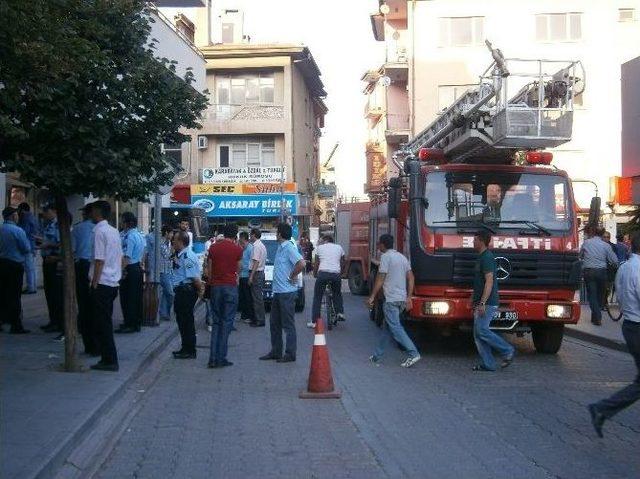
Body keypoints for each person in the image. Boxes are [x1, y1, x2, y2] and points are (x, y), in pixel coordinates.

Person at [588, 231, 640, 438]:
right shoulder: (637, 270)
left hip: (630, 325)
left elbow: (619, 296)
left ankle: (603, 409)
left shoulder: (625, 268)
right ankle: (602, 408)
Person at [367, 234, 421, 368]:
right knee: (387, 328)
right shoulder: (402, 257)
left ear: (383, 245)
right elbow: (411, 277)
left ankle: (413, 353)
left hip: (390, 299)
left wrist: (372, 296)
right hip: (401, 299)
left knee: (396, 328)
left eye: (379, 244)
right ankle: (376, 356)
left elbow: (380, 278)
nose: (378, 246)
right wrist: (409, 297)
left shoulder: (385, 257)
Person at [259, 223, 306, 363]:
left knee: (288, 324)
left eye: (277, 232)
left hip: (287, 292)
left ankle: (290, 354)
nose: (275, 234)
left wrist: (292, 276)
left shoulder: (289, 248)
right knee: (274, 323)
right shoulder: (280, 248)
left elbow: (301, 263)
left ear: (280, 234)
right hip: (278, 292)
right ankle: (276, 351)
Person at [470, 231, 515, 371]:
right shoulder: (481, 257)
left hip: (488, 302)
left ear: (482, 241)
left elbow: (489, 281)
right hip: (481, 301)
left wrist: (483, 303)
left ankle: (507, 350)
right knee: (478, 334)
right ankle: (488, 364)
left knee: (482, 330)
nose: (473, 242)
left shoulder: (487, 257)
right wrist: (473, 298)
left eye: (475, 240)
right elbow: (480, 281)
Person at [89, 201, 122, 372]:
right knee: (105, 322)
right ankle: (108, 358)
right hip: (112, 282)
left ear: (97, 212)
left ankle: (109, 359)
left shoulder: (99, 232)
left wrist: (94, 283)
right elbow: (120, 257)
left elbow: (99, 260)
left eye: (92, 210)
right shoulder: (114, 231)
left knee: (102, 324)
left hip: (102, 283)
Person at [207, 224, 243, 368]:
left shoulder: (213, 248)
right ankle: (221, 357)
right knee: (226, 323)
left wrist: (211, 281)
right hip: (230, 286)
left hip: (216, 286)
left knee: (216, 322)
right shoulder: (237, 249)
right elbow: (239, 268)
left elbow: (209, 267)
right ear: (235, 236)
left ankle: (212, 358)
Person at [171, 230, 203, 359]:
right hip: (182, 291)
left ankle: (190, 350)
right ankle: (185, 348)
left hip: (186, 292)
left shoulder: (187, 256)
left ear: (181, 242)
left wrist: (201, 292)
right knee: (182, 321)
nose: (173, 242)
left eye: (175, 240)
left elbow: (195, 278)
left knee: (186, 322)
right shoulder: (180, 255)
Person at [0, 206, 32, 334]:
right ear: (13, 216)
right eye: (17, 215)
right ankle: (16, 324)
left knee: (2, 293)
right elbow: (26, 248)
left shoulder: (1, 229)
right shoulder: (18, 231)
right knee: (14, 295)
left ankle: (2, 319)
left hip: (2, 262)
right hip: (14, 264)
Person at [581, 225, 619, 325]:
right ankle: (597, 316)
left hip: (588, 271)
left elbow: (580, 255)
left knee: (592, 295)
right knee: (600, 295)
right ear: (602, 234)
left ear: (594, 233)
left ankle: (596, 317)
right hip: (602, 272)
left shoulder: (586, 243)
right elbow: (614, 260)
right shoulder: (606, 245)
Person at [72, 204, 97, 355]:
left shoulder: (78, 229)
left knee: (83, 301)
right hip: (95, 266)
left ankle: (84, 328)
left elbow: (72, 249)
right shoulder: (102, 230)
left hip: (82, 265)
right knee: (94, 303)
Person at [116, 212, 145, 334]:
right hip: (137, 267)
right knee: (136, 297)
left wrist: (121, 271)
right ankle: (136, 322)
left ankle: (129, 323)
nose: (120, 223)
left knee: (127, 298)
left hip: (129, 268)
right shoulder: (139, 235)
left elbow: (126, 257)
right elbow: (144, 253)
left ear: (127, 223)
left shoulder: (129, 237)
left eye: (122, 220)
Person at [309, 234, 346, 328]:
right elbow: (343, 261)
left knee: (317, 297)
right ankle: (340, 313)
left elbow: (317, 263)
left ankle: (315, 321)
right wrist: (340, 272)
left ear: (325, 240)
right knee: (337, 293)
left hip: (323, 274)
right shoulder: (339, 247)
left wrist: (314, 274)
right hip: (336, 275)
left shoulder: (319, 248)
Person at [39, 204, 64, 335]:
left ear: (54, 211)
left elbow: (62, 243)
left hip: (55, 261)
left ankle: (59, 322)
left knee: (56, 293)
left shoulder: (58, 225)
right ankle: (53, 320)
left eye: (46, 211)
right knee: (49, 292)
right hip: (47, 260)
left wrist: (49, 244)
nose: (44, 214)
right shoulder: (48, 225)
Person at [17, 202, 39, 294]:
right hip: (32, 245)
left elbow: (23, 232)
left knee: (29, 268)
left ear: (22, 210)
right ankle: (33, 286)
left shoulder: (25, 218)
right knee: (32, 268)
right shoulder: (33, 217)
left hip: (28, 245)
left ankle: (31, 288)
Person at [248, 228, 267, 328]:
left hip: (256, 273)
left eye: (251, 235)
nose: (250, 237)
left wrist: (251, 276)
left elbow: (256, 261)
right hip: (260, 272)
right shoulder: (262, 245)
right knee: (258, 297)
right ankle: (259, 318)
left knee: (256, 298)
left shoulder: (256, 246)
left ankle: (259, 320)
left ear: (254, 235)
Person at [238, 231, 255, 324]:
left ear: (245, 240)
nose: (241, 244)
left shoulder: (250, 249)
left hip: (247, 275)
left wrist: (251, 277)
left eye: (242, 242)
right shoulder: (241, 248)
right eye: (240, 242)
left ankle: (250, 315)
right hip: (241, 275)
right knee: (243, 297)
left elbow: (252, 263)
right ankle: (244, 315)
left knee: (248, 297)